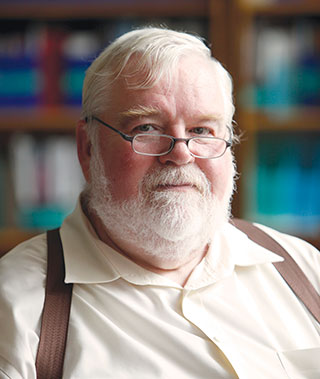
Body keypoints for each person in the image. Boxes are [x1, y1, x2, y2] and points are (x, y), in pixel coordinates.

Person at [0, 27, 319, 379]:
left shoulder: (305, 270)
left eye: (202, 130)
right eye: (146, 128)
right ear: (87, 148)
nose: (181, 154)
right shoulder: (14, 309)